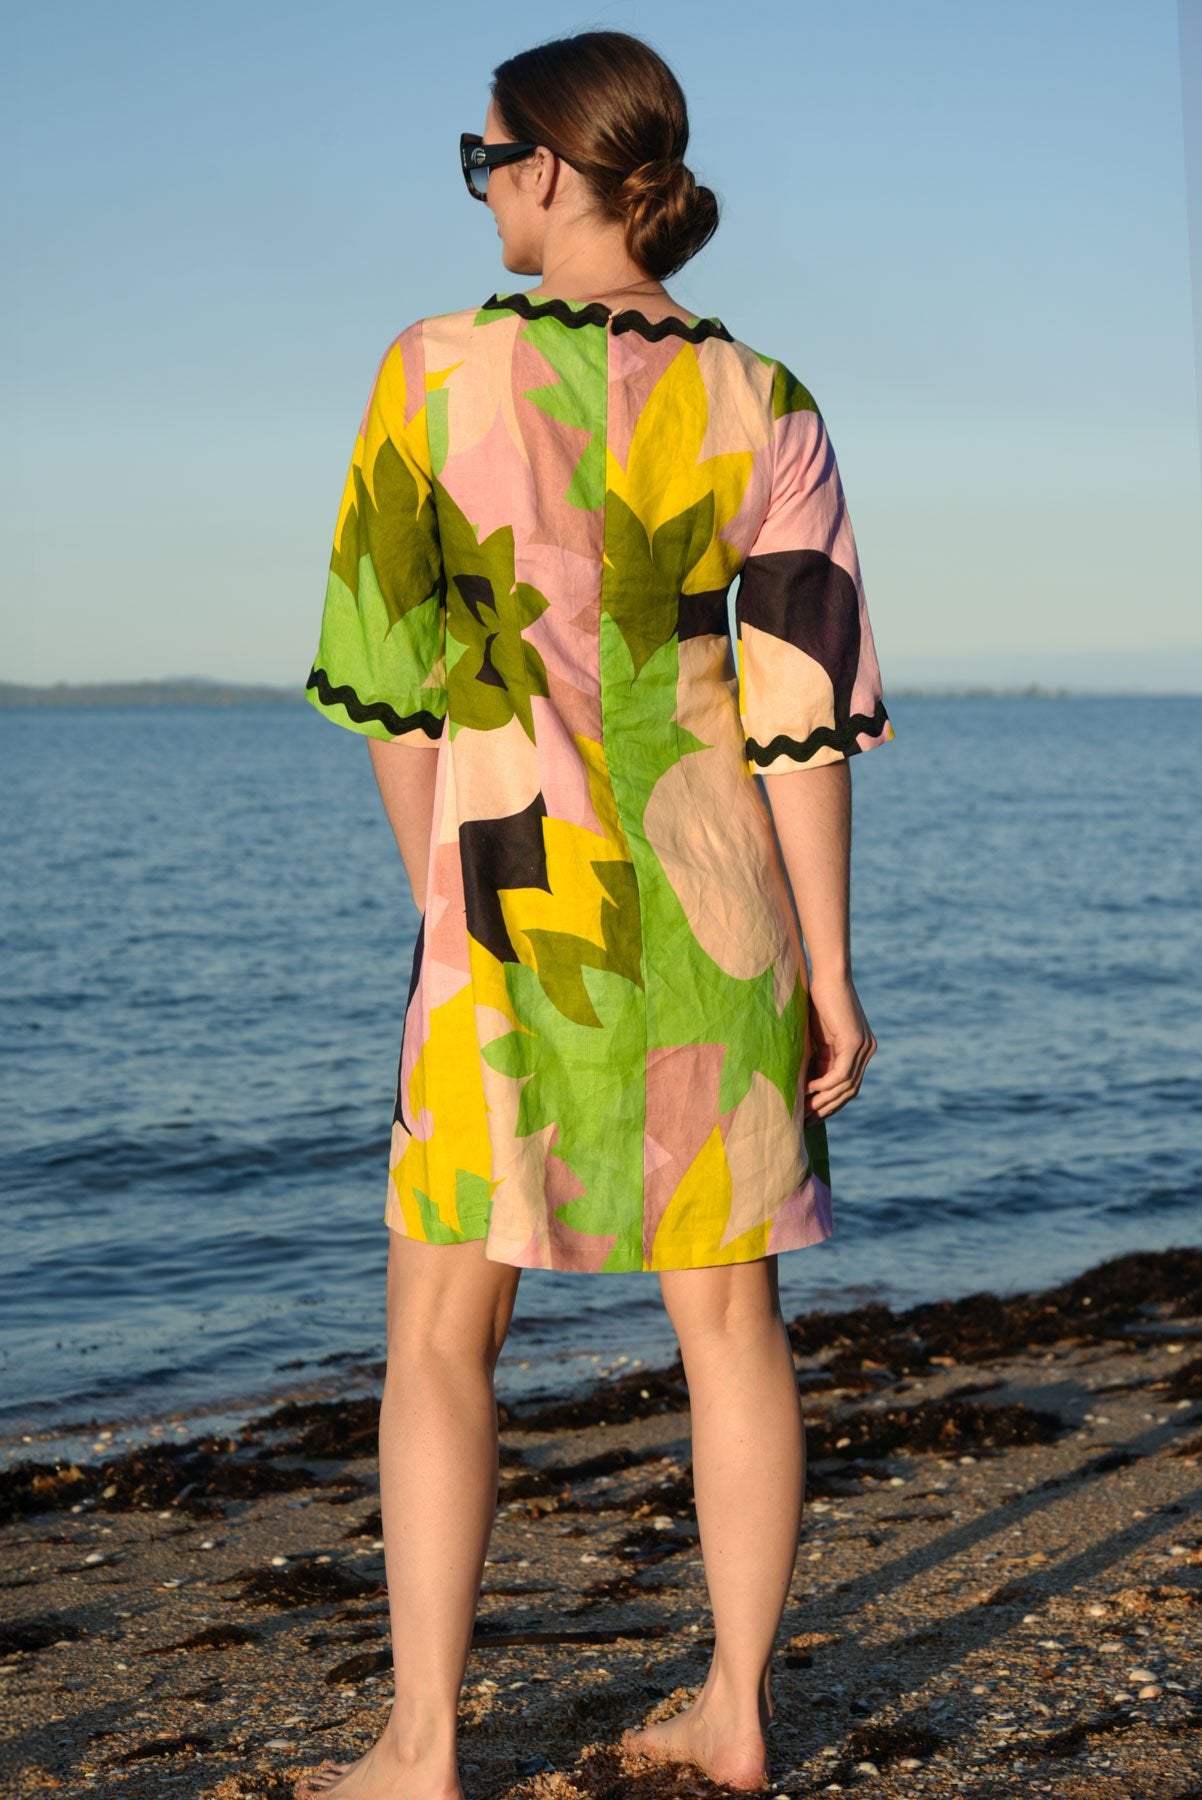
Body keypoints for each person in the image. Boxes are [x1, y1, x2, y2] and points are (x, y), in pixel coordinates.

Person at [298, 27, 895, 1800]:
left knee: (438, 1336)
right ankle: (736, 1713)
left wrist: (445, 908)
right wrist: (831, 970)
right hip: (720, 923)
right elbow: (800, 716)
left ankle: (420, 1747)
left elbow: (391, 687)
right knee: (730, 1331)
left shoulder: (432, 370)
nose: (480, 185)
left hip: (505, 915)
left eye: (482, 155)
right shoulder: (765, 397)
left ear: (548, 168)